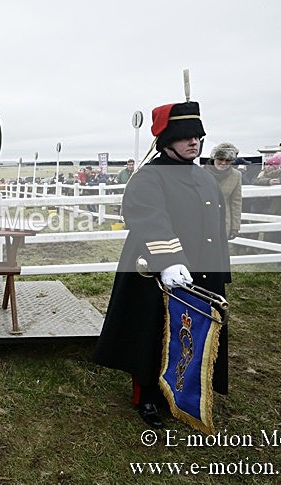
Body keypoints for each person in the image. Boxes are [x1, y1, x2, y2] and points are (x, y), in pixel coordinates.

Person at [93, 101, 230, 428]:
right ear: (166, 140)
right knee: (152, 333)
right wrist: (169, 261)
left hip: (201, 270)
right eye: (185, 137)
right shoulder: (149, 176)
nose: (194, 142)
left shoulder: (204, 176)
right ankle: (148, 396)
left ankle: (186, 389)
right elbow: (148, 217)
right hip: (155, 271)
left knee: (192, 334)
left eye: (197, 136)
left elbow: (214, 225)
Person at [205, 143, 242, 240]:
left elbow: (236, 202)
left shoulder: (236, 175)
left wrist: (235, 227)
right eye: (220, 159)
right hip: (203, 221)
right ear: (214, 158)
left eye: (228, 160)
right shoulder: (201, 173)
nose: (224, 163)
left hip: (224, 222)